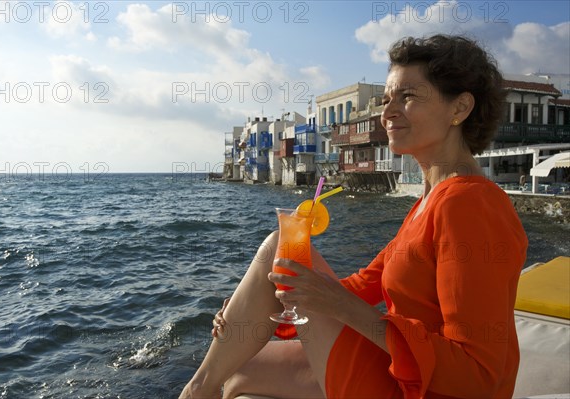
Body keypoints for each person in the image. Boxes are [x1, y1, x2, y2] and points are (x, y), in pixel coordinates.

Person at [180, 34, 528, 399]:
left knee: (278, 246)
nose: (388, 112)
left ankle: (192, 393)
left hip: (422, 389)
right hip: (404, 369)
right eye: (386, 99)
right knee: (237, 368)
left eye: (408, 97)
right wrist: (254, 311)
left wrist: (337, 304)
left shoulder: (469, 204)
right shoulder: (430, 200)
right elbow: (364, 284)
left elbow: (478, 376)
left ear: (460, 108)